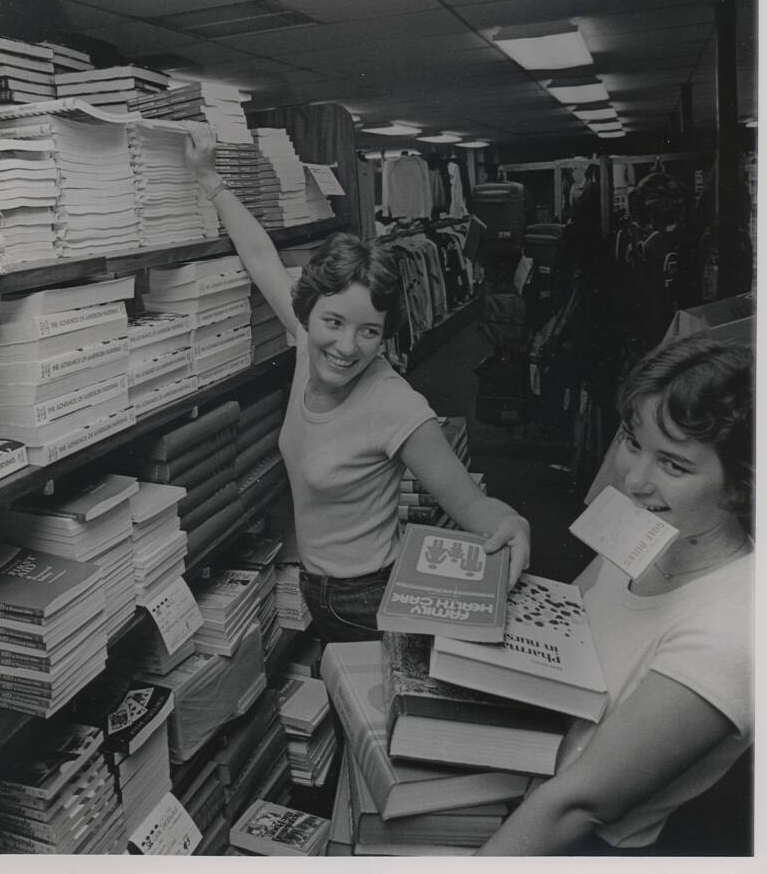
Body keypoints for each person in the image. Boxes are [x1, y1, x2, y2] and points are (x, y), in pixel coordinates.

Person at [185, 124, 531, 642]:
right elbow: (260, 256)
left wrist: (513, 524)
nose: (347, 347)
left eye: (369, 331)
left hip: (367, 598)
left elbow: (472, 506)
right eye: (334, 323)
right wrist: (210, 181)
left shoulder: (394, 404)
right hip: (316, 587)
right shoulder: (307, 346)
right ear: (309, 315)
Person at [478, 331, 753, 855]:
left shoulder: (734, 633)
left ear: (741, 485)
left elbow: (579, 806)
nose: (633, 480)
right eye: (632, 441)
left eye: (673, 464)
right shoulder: (647, 524)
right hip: (522, 763)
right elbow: (567, 624)